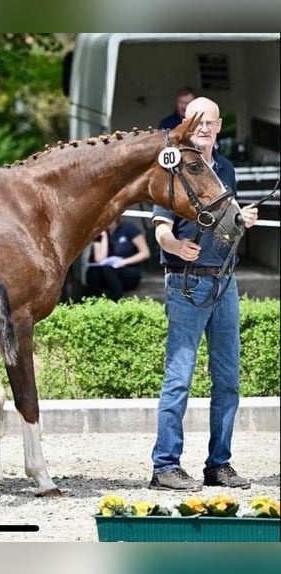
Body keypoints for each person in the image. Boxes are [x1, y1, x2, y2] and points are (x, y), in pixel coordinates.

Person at [149, 96, 259, 491]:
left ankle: (219, 464)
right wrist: (174, 246)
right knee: (179, 379)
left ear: (219, 126)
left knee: (228, 379)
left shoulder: (226, 168)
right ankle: (164, 466)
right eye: (198, 122)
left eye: (211, 122)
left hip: (224, 280)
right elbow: (160, 225)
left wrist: (241, 221)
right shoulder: (175, 164)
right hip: (186, 282)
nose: (206, 128)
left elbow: (225, 231)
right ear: (186, 122)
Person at [85, 218, 151, 301]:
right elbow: (100, 259)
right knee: (93, 272)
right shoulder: (100, 233)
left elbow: (145, 253)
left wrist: (122, 262)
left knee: (108, 270)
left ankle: (117, 300)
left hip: (127, 270)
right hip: (106, 273)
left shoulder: (129, 228)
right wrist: (104, 237)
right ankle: (91, 301)